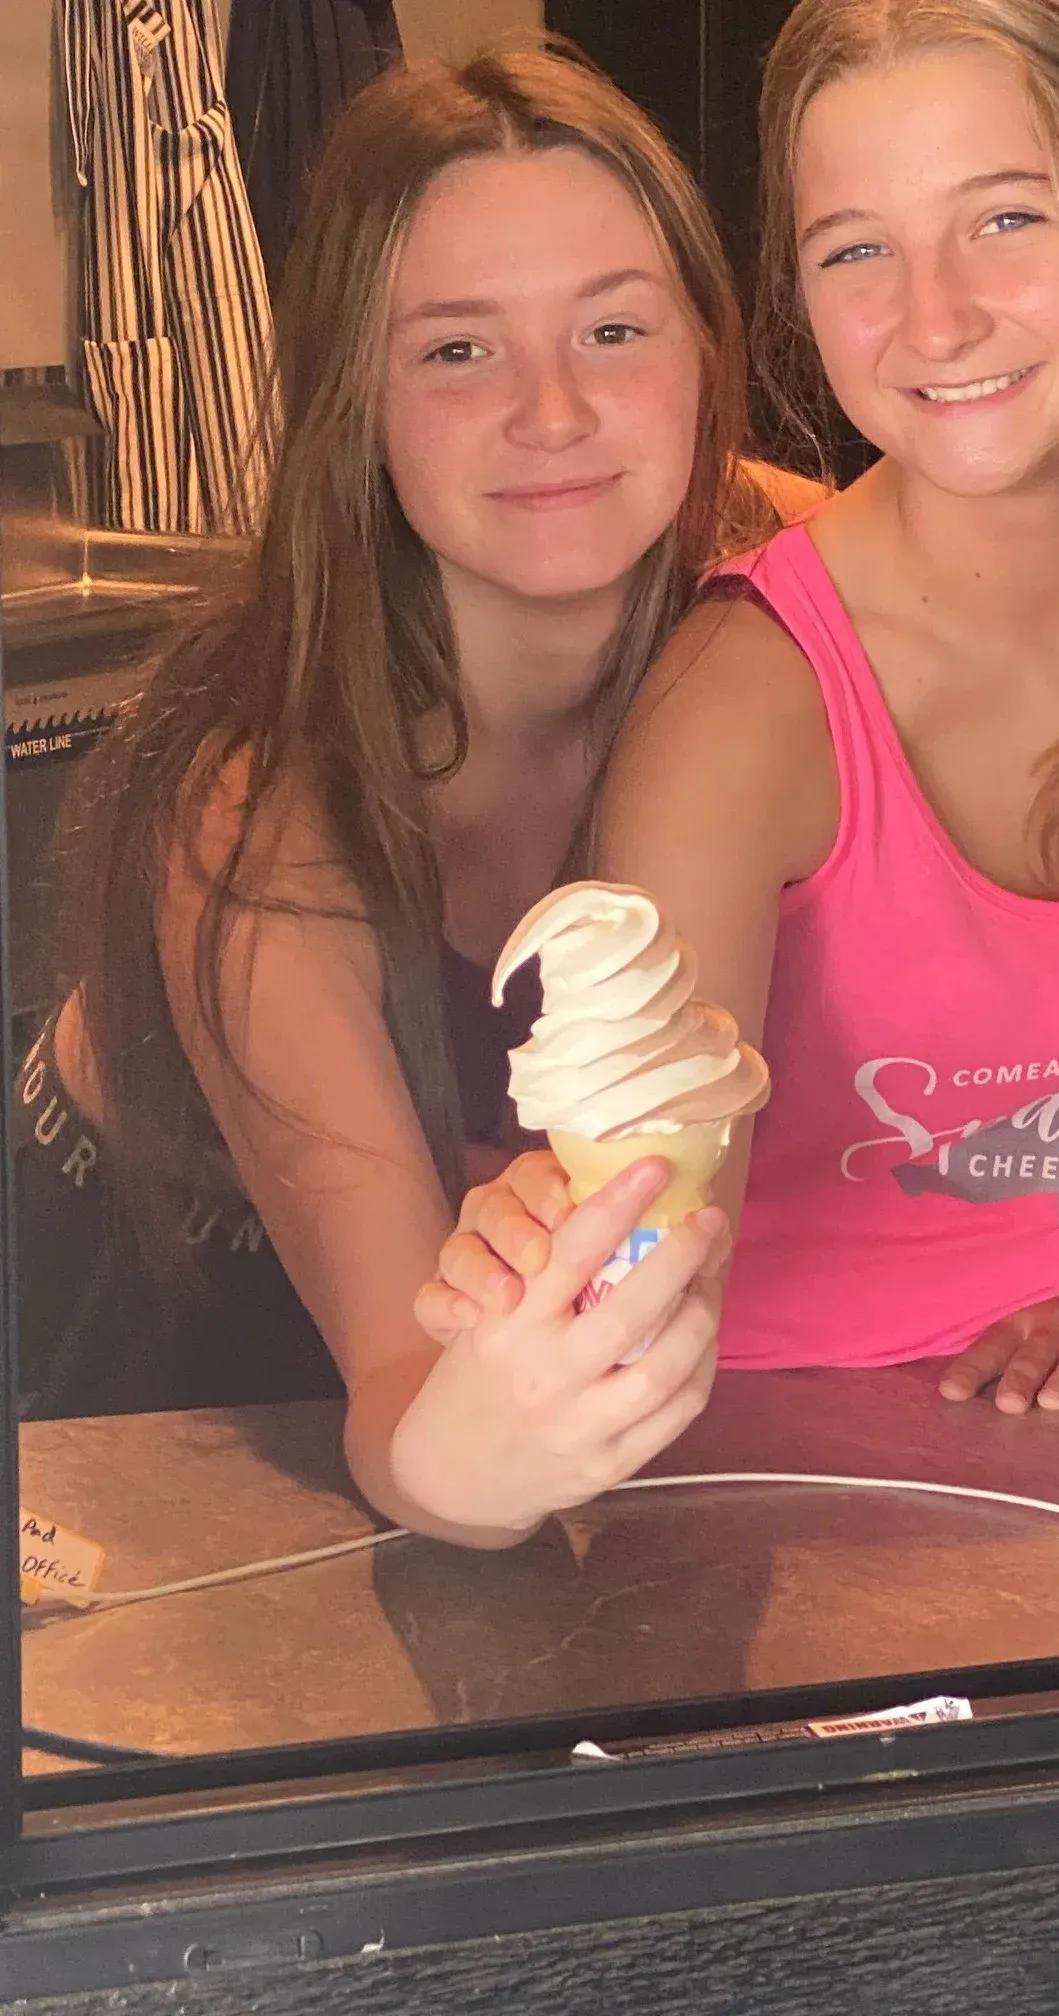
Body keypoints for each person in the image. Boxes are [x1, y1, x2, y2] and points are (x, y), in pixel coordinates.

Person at [414, 0, 1059, 1527]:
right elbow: (652, 1231)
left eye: (1005, 218)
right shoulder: (747, 705)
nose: (934, 318)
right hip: (755, 1478)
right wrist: (531, 1348)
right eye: (858, 248)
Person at [16, 45, 822, 1545]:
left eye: (613, 328)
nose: (557, 410)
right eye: (458, 350)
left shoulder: (803, 573)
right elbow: (409, 1411)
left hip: (519, 1335)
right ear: (354, 401)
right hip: (169, 1332)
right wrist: (465, 1463)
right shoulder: (255, 806)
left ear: (708, 350)